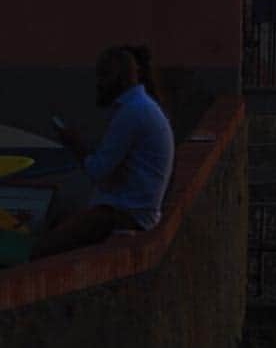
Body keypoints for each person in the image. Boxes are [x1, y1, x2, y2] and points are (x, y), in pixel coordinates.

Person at [33, 46, 174, 259]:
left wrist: (74, 143)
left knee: (41, 252)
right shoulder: (141, 107)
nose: (98, 84)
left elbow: (97, 170)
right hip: (132, 212)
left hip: (124, 215)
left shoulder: (132, 113)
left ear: (117, 78)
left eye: (102, 76)